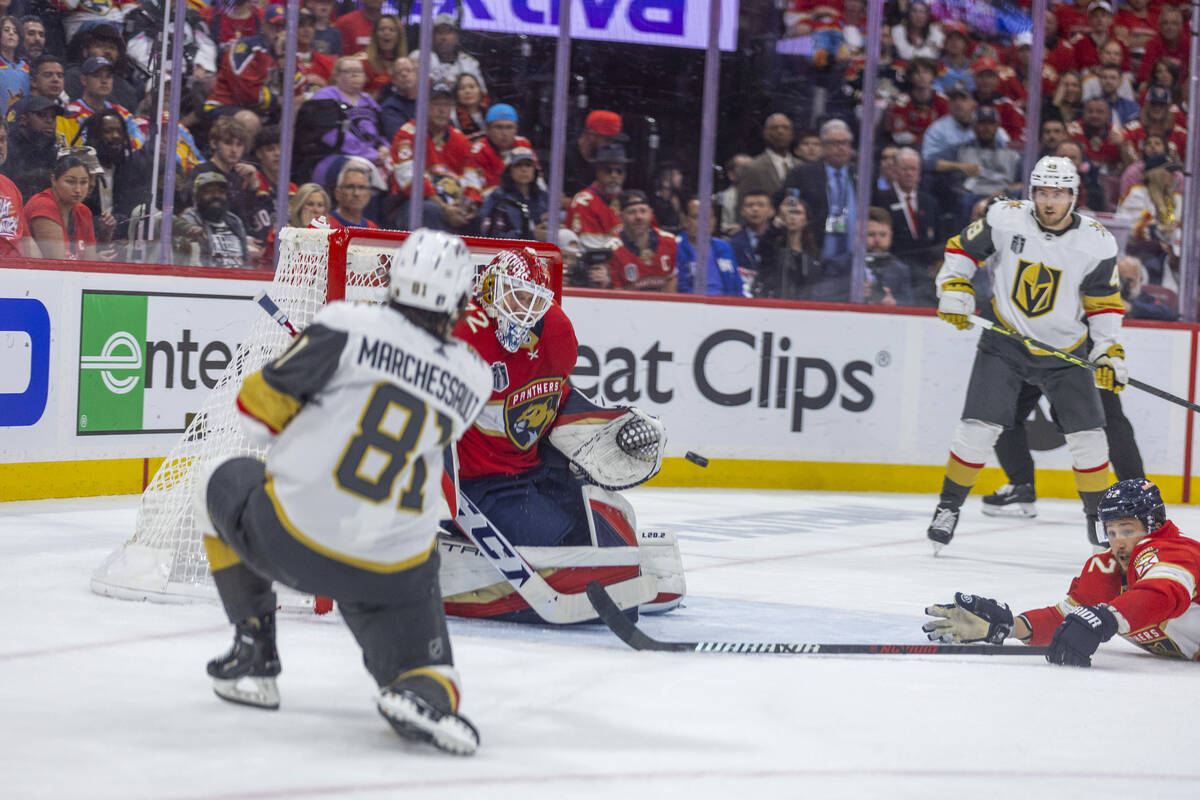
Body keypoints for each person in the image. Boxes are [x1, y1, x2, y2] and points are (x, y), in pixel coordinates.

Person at [196, 228, 490, 754]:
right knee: (433, 673)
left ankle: (254, 653)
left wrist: (312, 407)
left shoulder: (344, 323)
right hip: (393, 568)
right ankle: (419, 687)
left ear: (393, 279)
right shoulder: (474, 377)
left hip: (292, 538)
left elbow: (254, 419)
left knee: (216, 478)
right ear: (462, 301)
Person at [444, 247, 680, 620]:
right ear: (489, 288)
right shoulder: (463, 331)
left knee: (596, 521)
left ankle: (616, 570)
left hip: (533, 467)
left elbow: (556, 394)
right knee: (555, 538)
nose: (524, 308)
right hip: (479, 483)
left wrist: (604, 420)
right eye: (515, 294)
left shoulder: (556, 330)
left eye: (532, 299)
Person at [927, 156, 1122, 551]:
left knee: (1089, 438)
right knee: (977, 428)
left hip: (1066, 351)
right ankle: (948, 507)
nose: (1049, 202)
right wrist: (955, 289)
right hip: (1006, 341)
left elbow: (1103, 302)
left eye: (1058, 194)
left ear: (1073, 196)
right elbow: (961, 250)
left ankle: (1096, 519)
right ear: (1031, 193)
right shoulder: (1004, 217)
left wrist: (1106, 350)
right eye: (1042, 192)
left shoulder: (1097, 241)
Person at [924, 479, 1200, 665]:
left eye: (1128, 530)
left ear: (1154, 525)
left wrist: (1106, 618)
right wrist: (1011, 627)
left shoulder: (1174, 552)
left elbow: (1163, 593)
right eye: (1112, 532)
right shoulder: (1107, 568)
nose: (1119, 542)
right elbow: (1066, 618)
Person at [388, 80, 477, 233]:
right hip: (410, 204)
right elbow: (410, 181)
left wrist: (466, 207)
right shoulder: (407, 134)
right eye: (436, 104)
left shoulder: (461, 140)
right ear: (424, 106)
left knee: (477, 217)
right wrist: (444, 208)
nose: (442, 110)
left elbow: (472, 179)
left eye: (447, 105)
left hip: (453, 205)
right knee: (429, 210)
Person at [783, 118, 856, 261]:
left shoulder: (860, 175)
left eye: (845, 143)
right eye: (834, 143)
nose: (840, 148)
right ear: (823, 146)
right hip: (814, 252)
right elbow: (788, 202)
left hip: (853, 256)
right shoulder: (801, 173)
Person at [872, 147, 941, 277]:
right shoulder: (880, 200)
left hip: (924, 271)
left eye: (913, 169)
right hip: (892, 270)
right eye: (905, 169)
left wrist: (936, 263)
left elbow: (937, 238)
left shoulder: (930, 202)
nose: (909, 173)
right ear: (895, 171)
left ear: (919, 173)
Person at [1117, 152, 1182, 287]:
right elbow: (1132, 230)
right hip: (1145, 252)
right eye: (1169, 171)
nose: (1173, 175)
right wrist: (1161, 232)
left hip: (1174, 254)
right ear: (1156, 173)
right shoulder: (1137, 194)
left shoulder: (1177, 199)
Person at [22, 153, 100, 260]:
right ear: (53, 180)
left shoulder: (84, 212)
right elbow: (57, 264)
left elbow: (91, 263)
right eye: (70, 181)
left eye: (83, 182)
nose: (78, 190)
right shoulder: (42, 205)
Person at [750, 192, 825, 300]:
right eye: (789, 213)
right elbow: (761, 250)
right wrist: (776, 225)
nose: (793, 217)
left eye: (797, 213)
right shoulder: (773, 248)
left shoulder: (813, 253)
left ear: (806, 220)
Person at [65, 56, 145, 150]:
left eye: (109, 76)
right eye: (97, 75)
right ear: (84, 80)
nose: (104, 81)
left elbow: (140, 138)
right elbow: (77, 146)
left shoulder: (121, 112)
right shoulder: (71, 113)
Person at [173, 171, 249, 268]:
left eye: (221, 192)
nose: (216, 196)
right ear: (197, 196)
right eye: (210, 192)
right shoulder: (188, 221)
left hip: (240, 279)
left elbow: (247, 260)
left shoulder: (235, 221)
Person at [605, 190, 677, 292]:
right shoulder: (612, 250)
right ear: (621, 217)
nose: (639, 217)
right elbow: (617, 294)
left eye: (643, 211)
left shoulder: (669, 241)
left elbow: (671, 280)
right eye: (632, 212)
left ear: (651, 214)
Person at [565, 142, 629, 251]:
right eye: (608, 171)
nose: (614, 175)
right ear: (598, 172)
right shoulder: (583, 202)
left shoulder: (629, 201)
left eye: (619, 171)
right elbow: (589, 247)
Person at [463, 103, 533, 201]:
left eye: (509, 127)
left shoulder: (524, 144)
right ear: (487, 129)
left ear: (516, 129)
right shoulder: (476, 151)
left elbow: (538, 182)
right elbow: (473, 190)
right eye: (498, 127)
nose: (504, 133)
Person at [675, 196, 743, 296]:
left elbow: (737, 287)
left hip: (727, 307)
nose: (703, 222)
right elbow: (679, 289)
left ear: (714, 221)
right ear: (685, 220)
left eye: (707, 217)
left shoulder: (724, 247)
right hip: (692, 306)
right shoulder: (675, 247)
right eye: (696, 217)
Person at [478, 146, 547, 241]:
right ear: (509, 170)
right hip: (510, 252)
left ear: (534, 171)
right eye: (518, 165)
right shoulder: (498, 197)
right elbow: (491, 235)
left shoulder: (543, 197)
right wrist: (530, 236)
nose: (524, 170)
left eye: (528, 165)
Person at [409, 14, 487, 97]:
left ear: (457, 37)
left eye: (448, 32)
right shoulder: (419, 56)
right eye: (439, 32)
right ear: (431, 37)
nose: (443, 37)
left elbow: (482, 96)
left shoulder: (469, 63)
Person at [2, 95, 59, 200]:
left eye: (53, 116)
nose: (50, 121)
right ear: (23, 120)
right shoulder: (6, 150)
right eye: (42, 115)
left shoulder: (52, 151)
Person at [563, 109, 626, 199]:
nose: (611, 144)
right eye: (607, 140)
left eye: (613, 140)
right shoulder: (565, 156)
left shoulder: (605, 156)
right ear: (591, 135)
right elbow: (555, 199)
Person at [736, 113, 795, 205]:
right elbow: (742, 205)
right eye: (774, 128)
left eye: (785, 128)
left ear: (792, 133)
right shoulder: (753, 167)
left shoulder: (801, 167)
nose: (780, 131)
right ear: (765, 133)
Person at [728, 190, 775, 289]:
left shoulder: (779, 241)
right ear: (742, 211)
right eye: (749, 205)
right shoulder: (733, 243)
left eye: (761, 205)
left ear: (771, 211)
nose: (755, 209)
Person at [0, 121, 29, 257]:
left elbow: (26, 239)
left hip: (15, 272)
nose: (0, 146)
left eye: (2, 140)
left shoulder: (10, 186)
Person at [357, 13, 400, 95]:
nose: (387, 33)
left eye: (392, 30)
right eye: (382, 29)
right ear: (375, 34)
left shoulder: (404, 64)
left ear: (399, 36)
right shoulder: (362, 62)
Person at [329, 158, 378, 229]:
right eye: (350, 187)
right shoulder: (325, 226)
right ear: (338, 193)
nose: (356, 193)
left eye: (361, 187)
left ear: (368, 194)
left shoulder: (373, 228)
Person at [378, 56, 417, 141]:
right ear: (394, 80)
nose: (404, 74)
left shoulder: (428, 101)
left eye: (408, 70)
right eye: (399, 73)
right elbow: (399, 137)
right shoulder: (390, 107)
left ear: (416, 74)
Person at [450, 73, 487, 142]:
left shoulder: (489, 112)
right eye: (462, 88)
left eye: (472, 87)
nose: (467, 91)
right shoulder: (452, 117)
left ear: (480, 90)